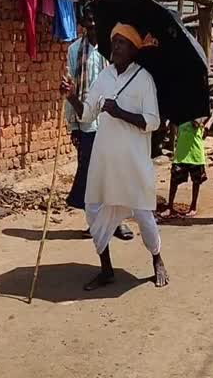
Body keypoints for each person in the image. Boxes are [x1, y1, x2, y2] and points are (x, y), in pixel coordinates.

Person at [61, 22, 168, 290]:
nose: (116, 46)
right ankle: (106, 269)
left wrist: (120, 112)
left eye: (122, 43)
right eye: (114, 41)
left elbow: (153, 122)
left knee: (143, 215)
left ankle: (157, 258)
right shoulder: (104, 77)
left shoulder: (144, 78)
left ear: (133, 49)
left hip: (133, 163)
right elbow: (87, 114)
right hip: (104, 160)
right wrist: (73, 97)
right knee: (94, 211)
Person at [65, 8, 134, 241]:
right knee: (90, 175)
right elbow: (71, 88)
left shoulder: (112, 50)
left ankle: (118, 222)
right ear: (83, 23)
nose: (93, 25)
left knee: (114, 173)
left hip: (111, 122)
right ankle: (94, 222)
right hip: (86, 122)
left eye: (96, 20)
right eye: (89, 21)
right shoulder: (74, 50)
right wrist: (73, 126)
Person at [158, 118, 208, 220]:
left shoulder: (199, 113)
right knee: (174, 180)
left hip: (195, 154)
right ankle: (170, 206)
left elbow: (196, 123)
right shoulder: (179, 115)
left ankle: (193, 206)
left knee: (196, 182)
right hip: (181, 153)